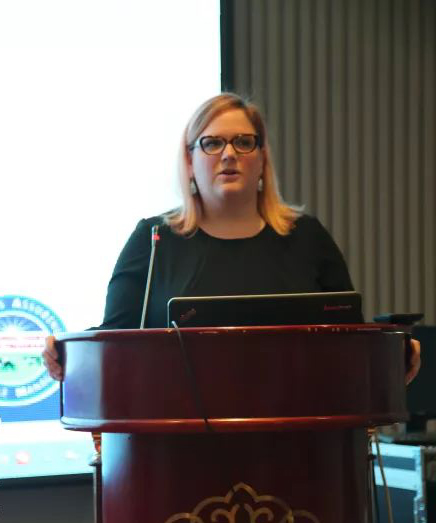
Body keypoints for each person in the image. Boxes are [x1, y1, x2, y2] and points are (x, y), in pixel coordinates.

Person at [43, 92, 420, 383]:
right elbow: (113, 340)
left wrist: (395, 353)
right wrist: (65, 351)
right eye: (212, 143)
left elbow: (351, 338)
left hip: (298, 440)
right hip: (177, 443)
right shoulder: (153, 240)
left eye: (243, 142)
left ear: (262, 158)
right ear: (190, 161)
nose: (228, 154)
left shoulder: (306, 237)